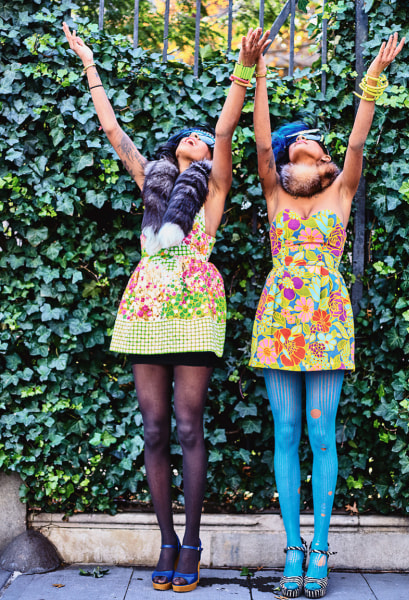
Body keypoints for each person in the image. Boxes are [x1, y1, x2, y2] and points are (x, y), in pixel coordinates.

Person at [63, 22, 270, 593]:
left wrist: (244, 71)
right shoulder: (151, 182)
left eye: (202, 139)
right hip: (145, 308)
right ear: (171, 149)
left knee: (188, 425)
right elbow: (112, 130)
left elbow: (228, 128)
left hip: (197, 308)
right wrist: (89, 64)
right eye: (187, 136)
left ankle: (195, 542)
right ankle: (166, 541)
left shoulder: (214, 188)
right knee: (154, 430)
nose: (196, 139)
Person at [249, 33, 405, 598]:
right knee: (286, 432)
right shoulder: (276, 193)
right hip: (279, 326)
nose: (322, 150)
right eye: (310, 146)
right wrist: (257, 72)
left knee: (321, 432)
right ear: (294, 156)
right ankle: (292, 548)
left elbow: (360, 138)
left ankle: (321, 549)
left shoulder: (341, 192)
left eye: (321, 149)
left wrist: (375, 78)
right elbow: (262, 144)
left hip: (327, 325)